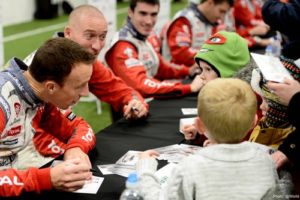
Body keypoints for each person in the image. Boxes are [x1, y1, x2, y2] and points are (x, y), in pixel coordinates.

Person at [136, 78, 281, 199]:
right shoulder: (266, 160)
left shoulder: (190, 167)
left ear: (199, 125)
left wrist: (145, 170)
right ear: (254, 122)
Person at [0, 38, 96, 197]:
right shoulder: (4, 104)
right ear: (51, 86)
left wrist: (76, 148)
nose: (85, 93)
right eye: (79, 86)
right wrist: (46, 178)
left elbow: (79, 127)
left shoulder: (38, 95)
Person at [25, 5, 149, 121]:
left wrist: (135, 102)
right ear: (68, 33)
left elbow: (117, 89)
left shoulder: (83, 60)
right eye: (89, 36)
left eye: (102, 37)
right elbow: (43, 132)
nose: (97, 46)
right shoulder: (49, 68)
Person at [105, 0, 205, 98]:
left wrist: (188, 71)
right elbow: (140, 86)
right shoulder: (123, 45)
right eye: (143, 14)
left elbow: (161, 67)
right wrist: (189, 87)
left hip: (148, 101)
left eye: (153, 14)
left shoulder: (141, 36)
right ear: (130, 12)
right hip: (132, 108)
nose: (149, 21)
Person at [161, 0, 233, 66]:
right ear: (210, 3)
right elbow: (181, 54)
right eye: (221, 11)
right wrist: (215, 56)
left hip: (201, 73)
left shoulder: (212, 22)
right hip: (180, 77)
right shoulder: (184, 19)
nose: (222, 17)